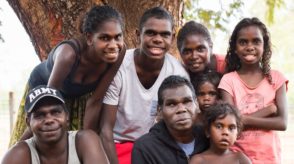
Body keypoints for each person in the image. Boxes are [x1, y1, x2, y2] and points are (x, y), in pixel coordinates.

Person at [10, 5, 126, 146]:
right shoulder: (68, 55)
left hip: (78, 97)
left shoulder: (119, 52)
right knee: (41, 145)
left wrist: (87, 145)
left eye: (117, 37)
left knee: (78, 149)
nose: (113, 45)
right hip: (43, 93)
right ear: (89, 38)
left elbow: (95, 101)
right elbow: (47, 104)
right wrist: (20, 146)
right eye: (105, 38)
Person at [100, 7, 190, 164]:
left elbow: (181, 123)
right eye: (151, 33)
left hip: (154, 145)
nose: (157, 39)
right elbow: (105, 129)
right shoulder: (119, 67)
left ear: (172, 37)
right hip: (117, 145)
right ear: (137, 35)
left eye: (164, 34)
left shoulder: (177, 73)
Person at [219, 17, 288, 163]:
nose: (250, 46)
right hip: (237, 157)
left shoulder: (276, 78)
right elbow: (231, 123)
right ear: (235, 48)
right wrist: (268, 110)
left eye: (256, 41)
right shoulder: (228, 80)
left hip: (269, 158)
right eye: (243, 42)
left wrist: (245, 119)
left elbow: (282, 123)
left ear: (264, 47)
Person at [2, 85, 109, 164]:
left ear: (67, 116)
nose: (49, 120)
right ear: (28, 122)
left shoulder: (85, 141)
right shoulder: (17, 155)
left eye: (56, 112)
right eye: (40, 115)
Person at [132, 75, 208, 164]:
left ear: (197, 105)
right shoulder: (145, 148)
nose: (181, 109)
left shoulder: (209, 138)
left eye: (187, 101)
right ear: (159, 111)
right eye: (172, 104)